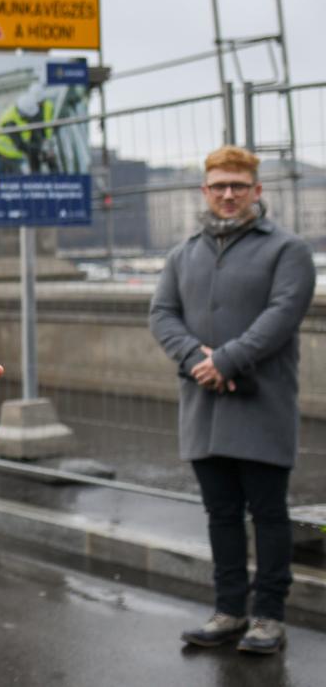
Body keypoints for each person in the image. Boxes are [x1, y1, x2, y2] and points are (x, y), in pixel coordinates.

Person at [150, 146, 315, 655]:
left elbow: (283, 315)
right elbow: (162, 314)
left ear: (256, 191)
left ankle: (268, 616)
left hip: (262, 405)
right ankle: (228, 611)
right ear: (205, 190)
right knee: (220, 514)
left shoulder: (288, 251)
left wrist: (225, 361)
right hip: (203, 407)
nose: (227, 195)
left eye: (237, 186)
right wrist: (197, 357)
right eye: (218, 185)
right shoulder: (184, 254)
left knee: (268, 514)